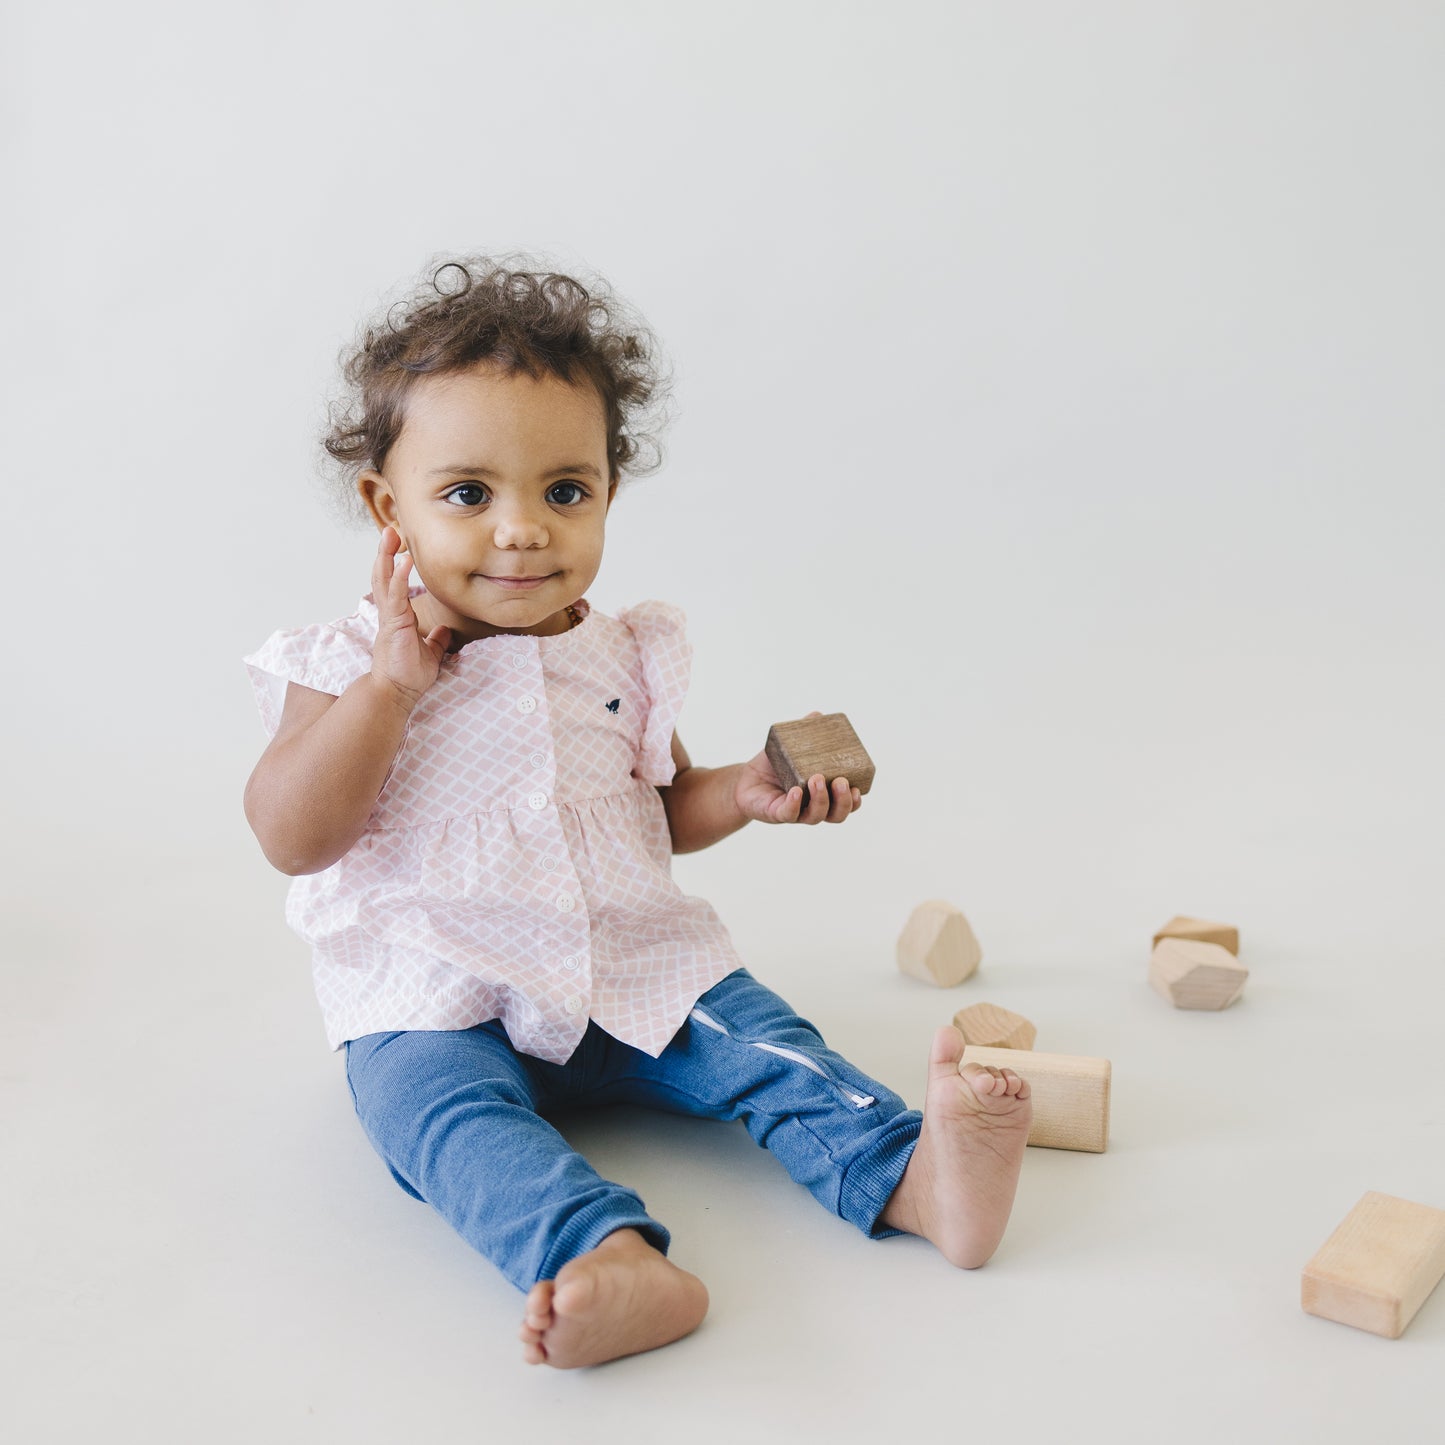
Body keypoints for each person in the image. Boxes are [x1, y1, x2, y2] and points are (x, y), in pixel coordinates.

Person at [242, 256, 1032, 1370]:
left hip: (626, 960)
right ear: (388, 508)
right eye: (467, 494)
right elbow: (291, 833)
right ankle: (598, 1253)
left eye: (563, 489)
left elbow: (651, 812)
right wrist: (388, 689)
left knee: (763, 1041)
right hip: (435, 986)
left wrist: (742, 793)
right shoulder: (343, 662)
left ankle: (913, 1175)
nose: (522, 529)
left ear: (607, 491)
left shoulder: (617, 651)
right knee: (440, 1123)